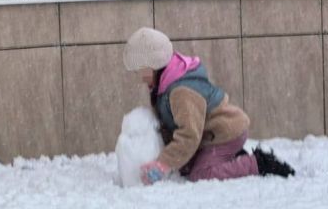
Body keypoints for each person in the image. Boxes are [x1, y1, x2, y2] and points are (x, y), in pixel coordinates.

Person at [123, 27, 295, 185]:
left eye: (142, 70)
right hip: (210, 135)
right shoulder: (166, 82)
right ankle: (230, 158)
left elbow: (190, 135)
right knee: (185, 165)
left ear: (155, 65)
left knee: (201, 174)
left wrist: (163, 163)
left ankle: (259, 163)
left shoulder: (181, 91)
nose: (141, 77)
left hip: (226, 133)